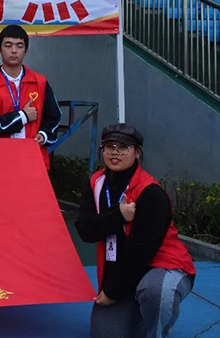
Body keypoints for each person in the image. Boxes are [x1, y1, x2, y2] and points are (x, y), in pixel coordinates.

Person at [75, 124, 196, 338]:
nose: (115, 152)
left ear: (137, 152)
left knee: (156, 292)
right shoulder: (96, 183)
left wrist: (112, 292)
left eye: (123, 147)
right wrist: (119, 216)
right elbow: (85, 230)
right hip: (123, 273)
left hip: (163, 265)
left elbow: (141, 250)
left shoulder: (151, 192)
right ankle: (139, 316)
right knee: (105, 334)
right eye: (109, 146)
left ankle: (156, 331)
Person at [0, 25, 61, 168]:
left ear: (26, 51)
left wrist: (44, 135)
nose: (14, 50)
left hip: (33, 158)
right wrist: (22, 117)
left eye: (19, 46)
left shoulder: (39, 82)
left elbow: (54, 116)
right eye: (8, 45)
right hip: (0, 160)